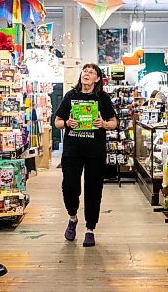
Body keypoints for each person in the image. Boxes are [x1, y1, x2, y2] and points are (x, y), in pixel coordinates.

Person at [54, 63, 117, 247]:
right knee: (70, 186)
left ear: (97, 79)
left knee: (93, 190)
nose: (87, 74)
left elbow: (114, 122)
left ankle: (90, 228)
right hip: (73, 151)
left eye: (91, 72)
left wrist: (103, 124)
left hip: (95, 152)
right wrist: (67, 123)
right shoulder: (70, 96)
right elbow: (57, 121)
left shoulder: (102, 98)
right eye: (85, 71)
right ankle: (72, 218)